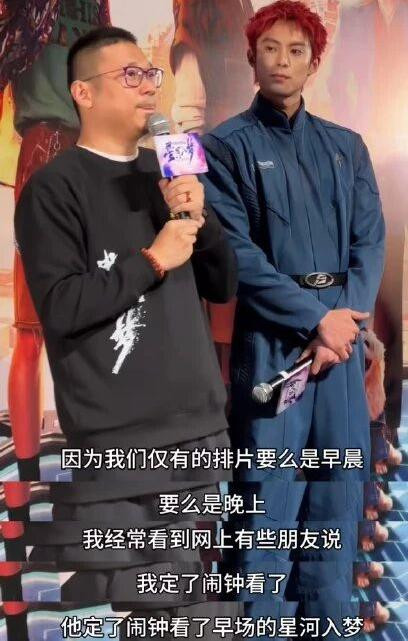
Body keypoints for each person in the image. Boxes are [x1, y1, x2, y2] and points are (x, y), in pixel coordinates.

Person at [14, 25, 238, 640]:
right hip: (119, 443)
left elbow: (221, 284)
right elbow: (63, 306)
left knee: (192, 603)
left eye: (150, 74)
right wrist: (153, 259)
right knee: (144, 611)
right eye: (130, 75)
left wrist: (198, 215)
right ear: (84, 93)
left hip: (197, 433)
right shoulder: (53, 188)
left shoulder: (168, 173)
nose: (148, 88)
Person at [200, 1, 385, 637]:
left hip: (341, 352)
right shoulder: (222, 147)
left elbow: (370, 242)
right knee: (265, 508)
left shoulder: (346, 147)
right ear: (250, 58)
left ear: (315, 62)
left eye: (296, 50)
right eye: (270, 49)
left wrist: (343, 327)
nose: (282, 61)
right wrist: (316, 321)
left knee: (337, 503)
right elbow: (238, 255)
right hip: (273, 349)